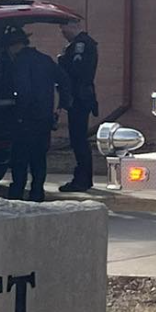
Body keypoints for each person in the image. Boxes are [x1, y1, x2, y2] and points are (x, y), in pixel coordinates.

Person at [5, 28, 69, 202]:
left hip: (24, 120)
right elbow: (64, 81)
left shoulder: (19, 63)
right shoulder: (45, 60)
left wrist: (18, 114)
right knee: (39, 158)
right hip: (43, 118)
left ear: (15, 46)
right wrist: (60, 107)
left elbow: (24, 91)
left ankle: (17, 193)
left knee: (20, 159)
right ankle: (37, 192)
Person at [57, 18, 99, 193]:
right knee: (79, 139)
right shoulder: (81, 44)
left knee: (78, 140)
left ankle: (82, 179)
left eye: (64, 29)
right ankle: (84, 178)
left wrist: (61, 61)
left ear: (73, 27)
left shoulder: (81, 45)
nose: (63, 33)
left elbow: (77, 70)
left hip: (80, 98)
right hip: (81, 97)